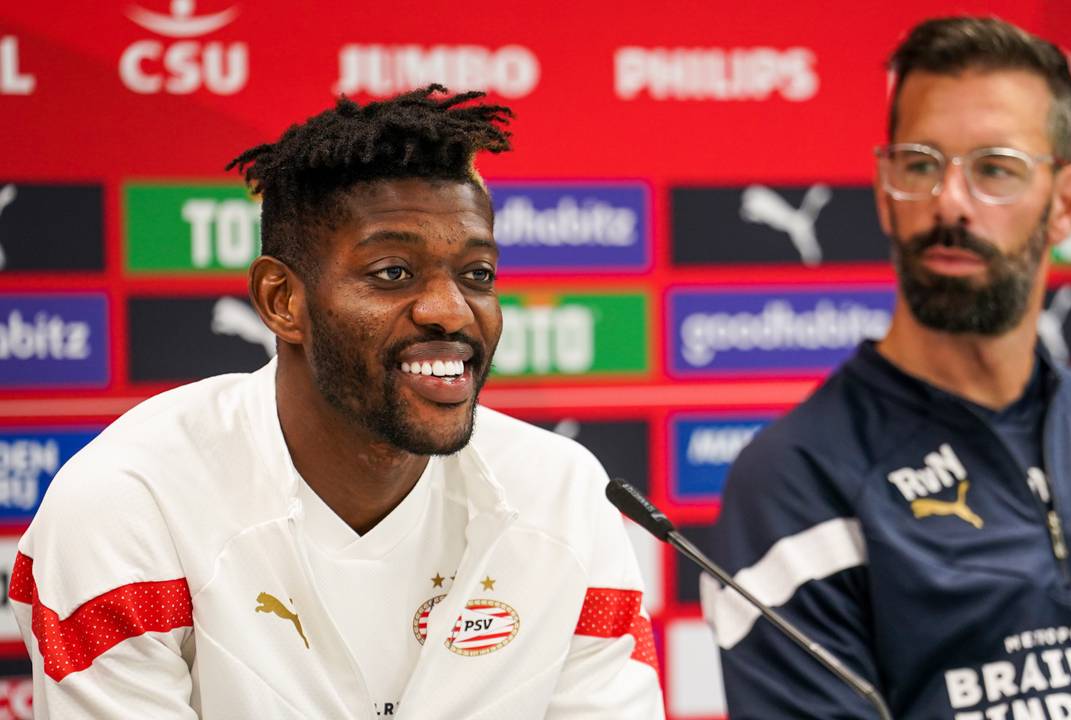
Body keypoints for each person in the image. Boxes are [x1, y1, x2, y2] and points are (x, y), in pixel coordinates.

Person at [10, 87, 663, 719]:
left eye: (477, 275)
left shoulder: (564, 494)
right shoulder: (128, 504)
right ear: (281, 301)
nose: (450, 311)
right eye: (392, 274)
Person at [702, 17, 1071, 719]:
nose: (949, 200)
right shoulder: (796, 482)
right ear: (885, 190)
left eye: (994, 170)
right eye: (920, 164)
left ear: (1065, 203)